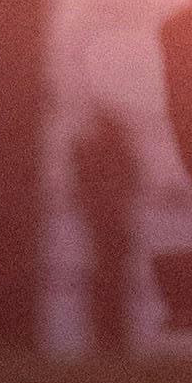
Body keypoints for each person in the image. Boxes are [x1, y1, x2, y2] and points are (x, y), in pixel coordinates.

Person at [67, 106, 144, 356]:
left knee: (106, 281)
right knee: (112, 282)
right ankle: (111, 340)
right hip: (113, 230)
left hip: (107, 230)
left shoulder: (97, 155)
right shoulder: (117, 155)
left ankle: (107, 339)